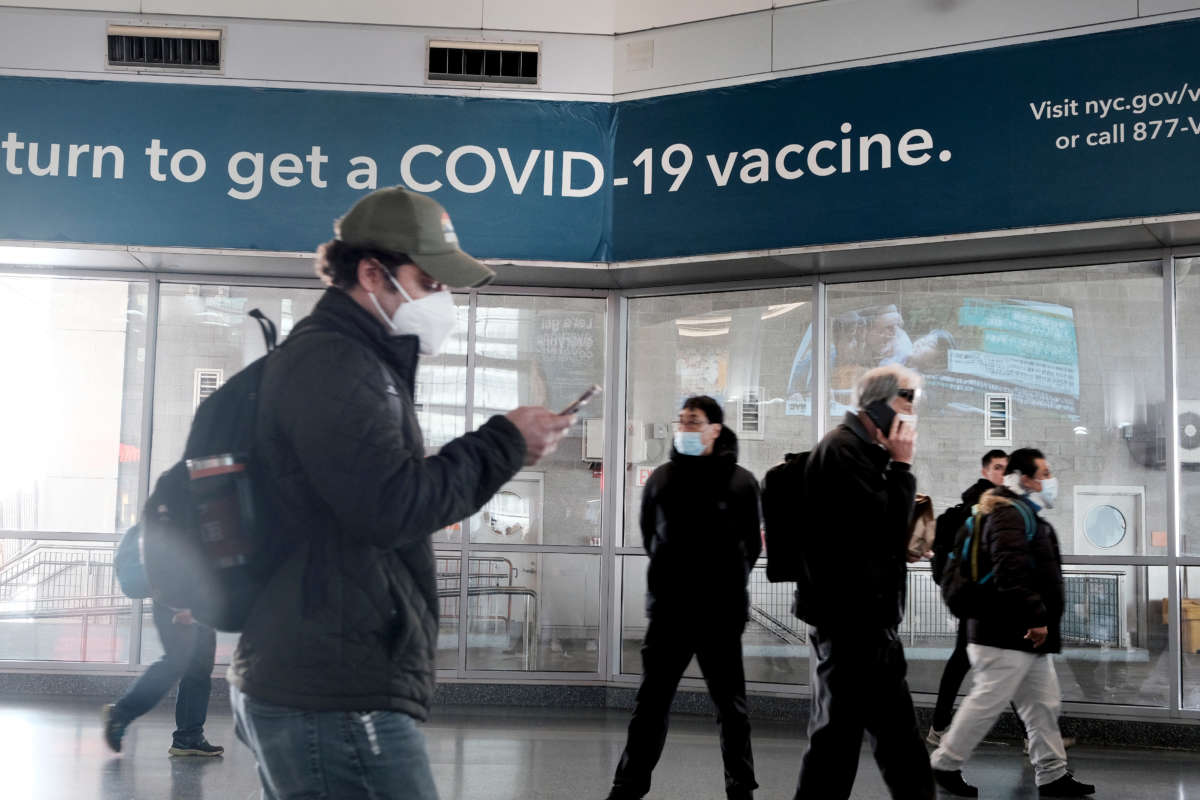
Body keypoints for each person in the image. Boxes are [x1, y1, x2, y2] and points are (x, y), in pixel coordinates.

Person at [227, 186, 574, 799]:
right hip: (332, 687)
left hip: (326, 671)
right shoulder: (336, 364)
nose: (444, 299)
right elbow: (393, 506)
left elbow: (375, 495)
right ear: (371, 273)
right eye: (430, 281)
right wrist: (504, 444)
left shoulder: (355, 362)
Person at [605, 395, 762, 800]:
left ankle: (740, 788)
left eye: (693, 422)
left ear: (715, 428)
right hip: (669, 613)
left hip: (721, 614)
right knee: (651, 705)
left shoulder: (742, 482)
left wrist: (724, 583)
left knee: (732, 709)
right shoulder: (661, 479)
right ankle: (627, 787)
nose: (685, 429)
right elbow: (649, 538)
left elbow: (751, 546)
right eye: (681, 422)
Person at [792, 364, 934, 800]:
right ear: (877, 404)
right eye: (904, 403)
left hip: (869, 625)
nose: (910, 415)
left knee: (898, 746)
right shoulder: (842, 450)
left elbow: (876, 534)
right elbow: (881, 528)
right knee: (837, 748)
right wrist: (903, 466)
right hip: (851, 625)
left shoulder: (862, 451)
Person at [929, 449, 1095, 798]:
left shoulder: (1021, 514)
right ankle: (944, 764)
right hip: (1002, 632)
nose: (1051, 480)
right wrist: (1036, 618)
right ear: (1027, 479)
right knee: (986, 702)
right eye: (1045, 472)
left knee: (1043, 704)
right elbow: (1011, 571)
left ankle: (1052, 774)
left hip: (1018, 636)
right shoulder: (1009, 515)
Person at [927, 449, 1008, 743]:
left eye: (1006, 469)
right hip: (984, 599)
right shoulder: (982, 508)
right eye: (998, 468)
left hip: (979, 599)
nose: (1003, 474)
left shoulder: (985, 506)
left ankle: (938, 729)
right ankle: (941, 732)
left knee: (968, 660)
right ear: (986, 471)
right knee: (996, 663)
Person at [102, 603, 221, 757]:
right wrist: (180, 602)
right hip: (180, 601)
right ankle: (120, 714)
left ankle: (189, 737)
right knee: (175, 663)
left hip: (202, 608)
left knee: (199, 672)